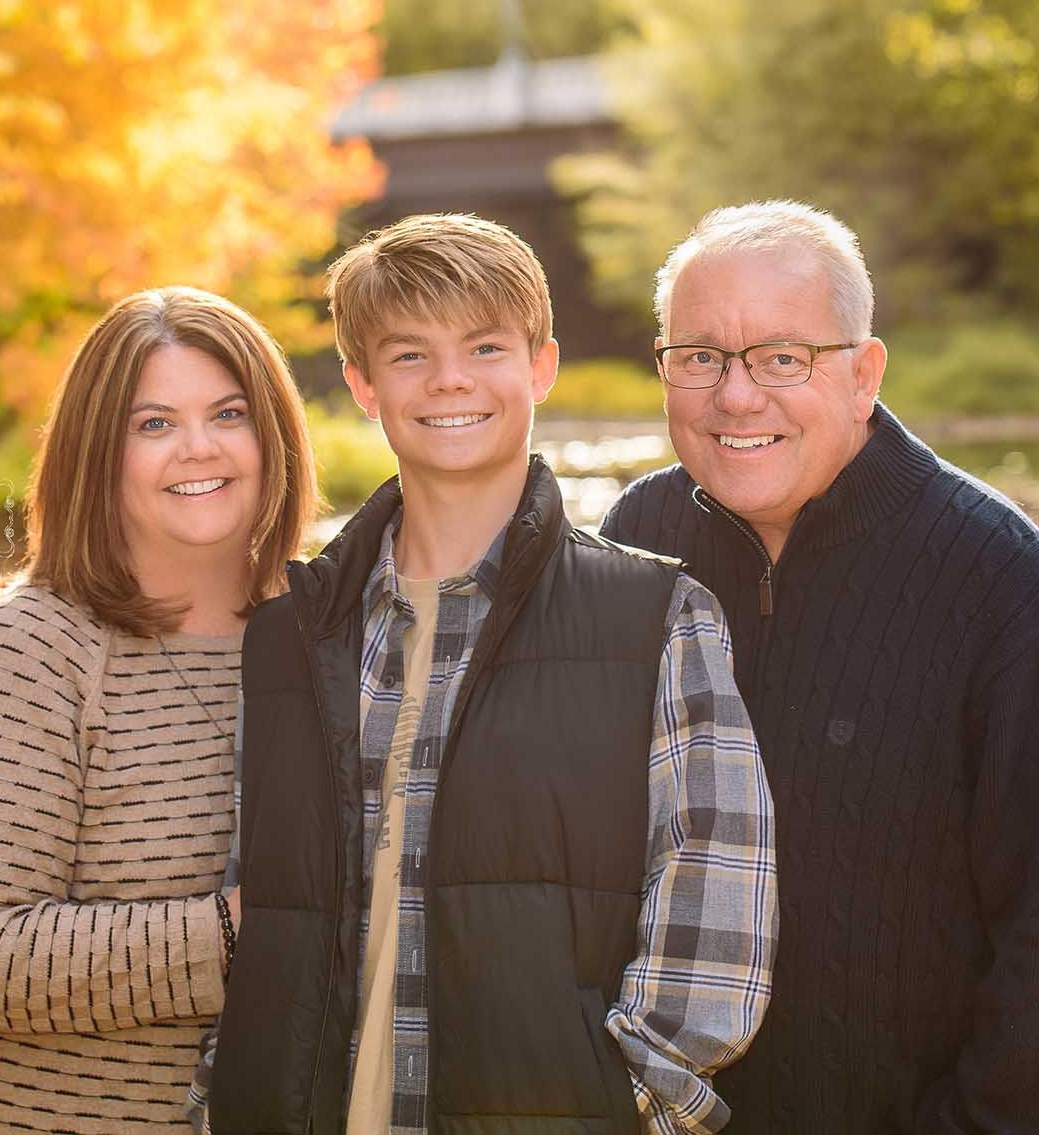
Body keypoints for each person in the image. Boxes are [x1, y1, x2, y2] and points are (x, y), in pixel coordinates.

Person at [191, 214, 777, 1135]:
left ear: (541, 365)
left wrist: (623, 1108)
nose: (451, 379)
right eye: (410, 354)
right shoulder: (286, 637)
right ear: (362, 386)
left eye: (485, 345)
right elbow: (248, 908)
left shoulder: (660, 618)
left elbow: (716, 906)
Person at [600, 201, 1039, 1134]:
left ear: (864, 373)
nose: (736, 396)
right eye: (699, 357)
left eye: (783, 358)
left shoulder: (996, 574)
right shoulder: (632, 548)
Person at [0, 286, 317, 1133]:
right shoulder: (37, 645)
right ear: (95, 452)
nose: (198, 448)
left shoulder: (333, 639)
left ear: (273, 436)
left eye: (228, 414)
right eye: (153, 424)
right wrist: (243, 936)